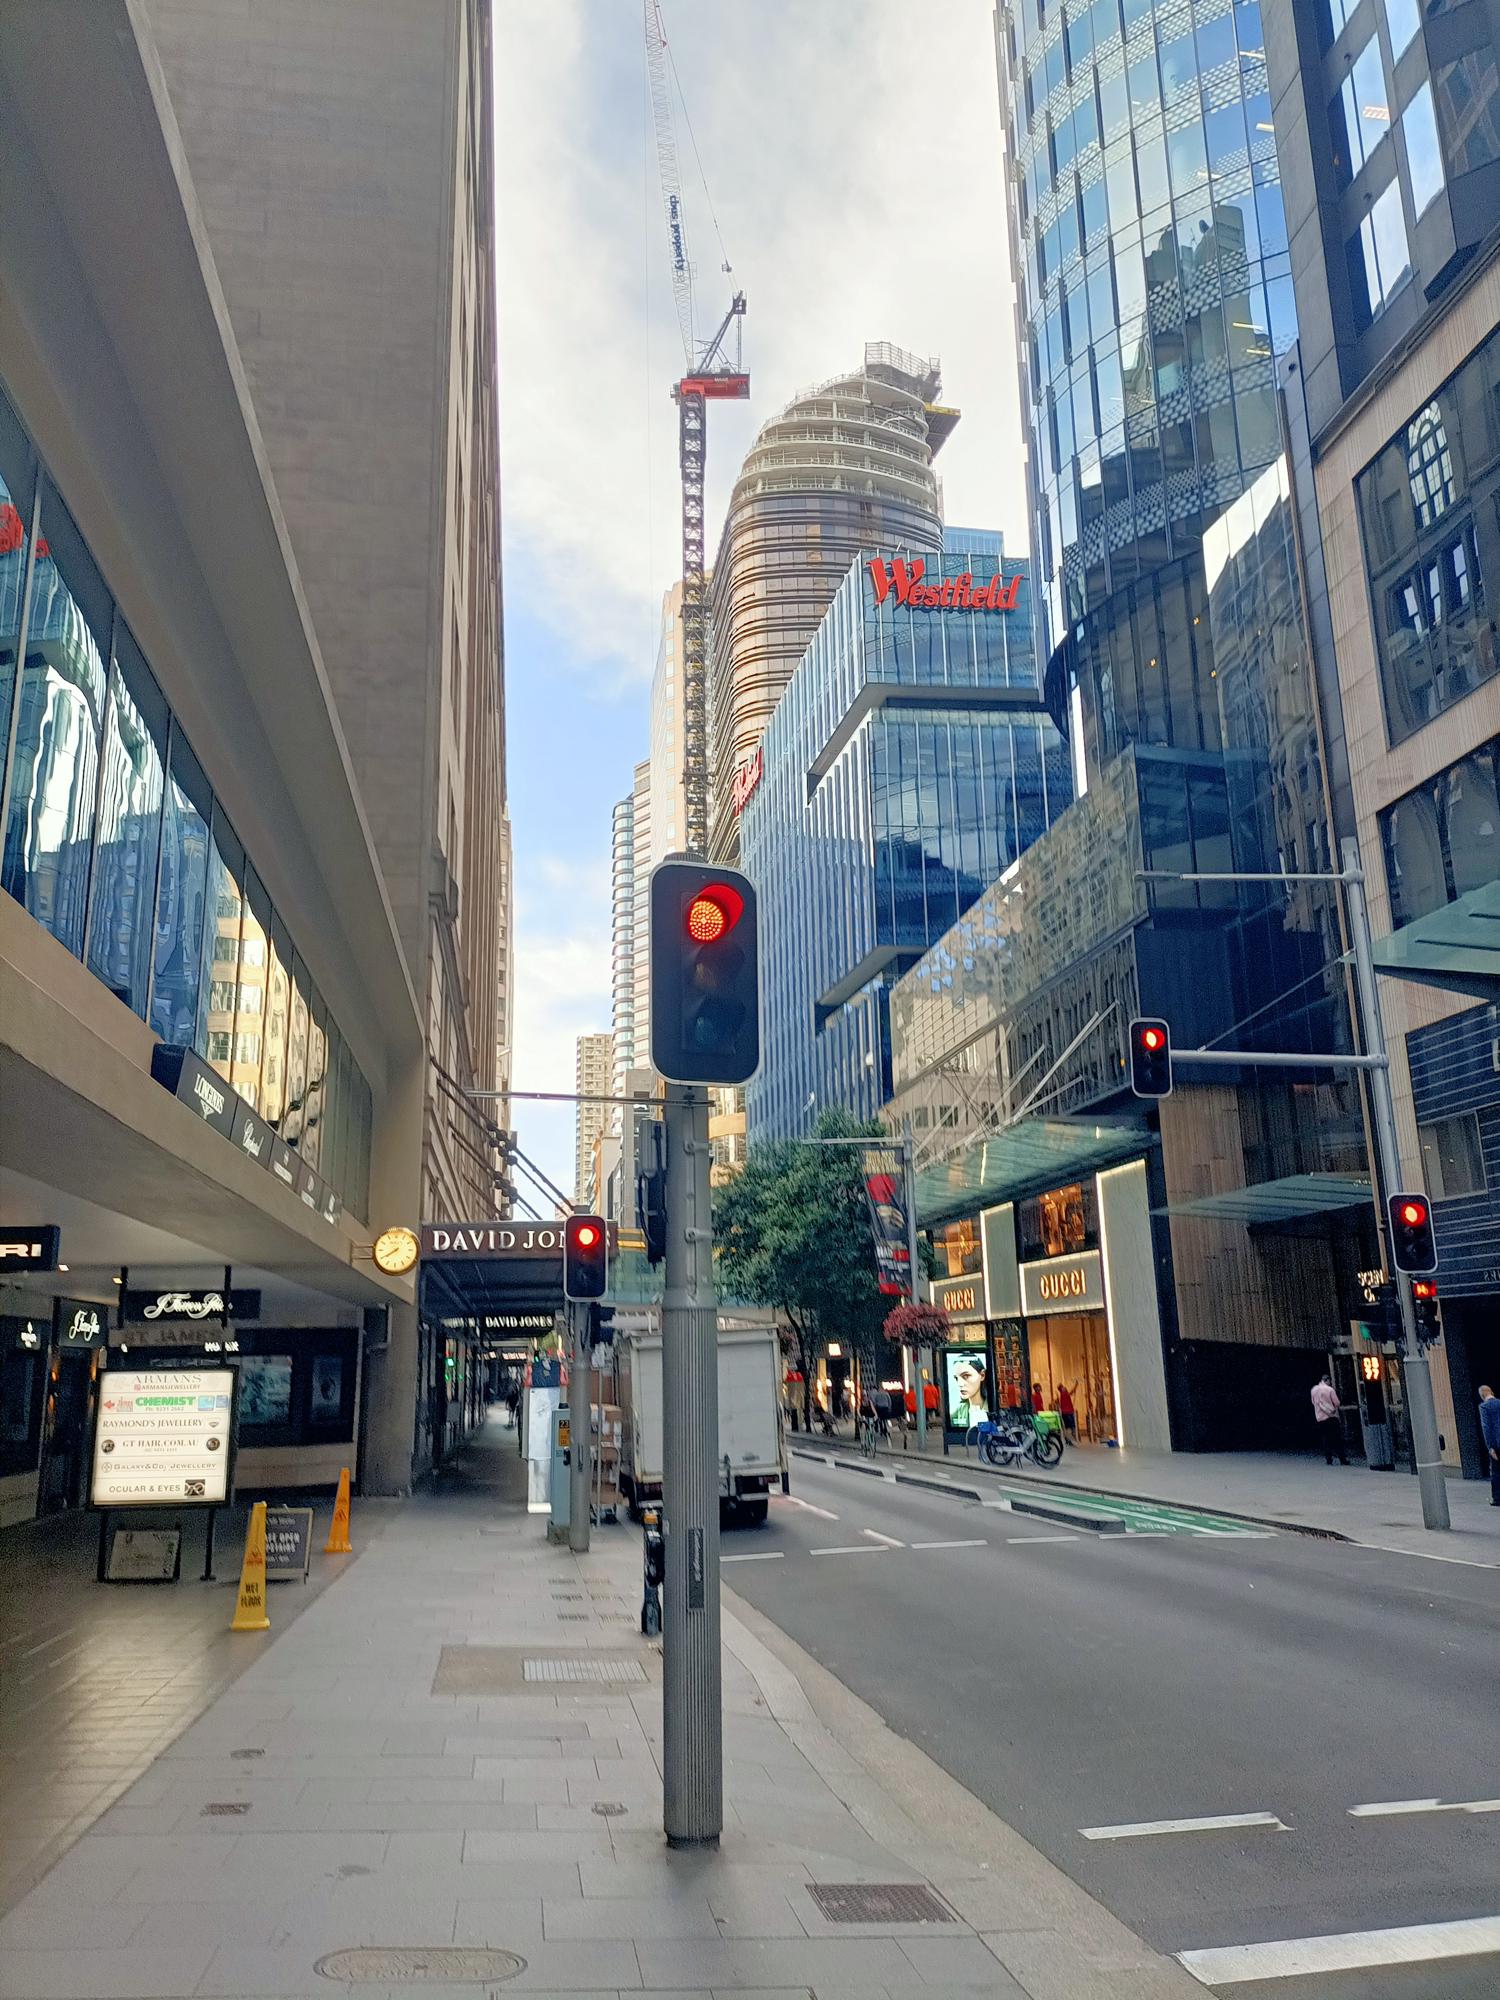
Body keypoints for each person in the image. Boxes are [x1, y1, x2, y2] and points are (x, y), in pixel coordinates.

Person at [1311, 1372, 1347, 1464]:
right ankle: (1342, 1459)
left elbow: (1313, 1402)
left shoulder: (1314, 1390)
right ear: (1328, 1380)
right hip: (1331, 1417)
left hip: (1320, 1418)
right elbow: (1337, 1403)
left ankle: (1328, 1459)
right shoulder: (1330, 1390)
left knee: (1325, 1438)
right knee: (1337, 1438)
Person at [949, 1355, 989, 1429]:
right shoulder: (956, 1414)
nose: (960, 1384)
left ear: (982, 1375)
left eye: (966, 1376)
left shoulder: (993, 1408)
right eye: (956, 1378)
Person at [1480, 1385, 1500, 1507]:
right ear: (1491, 1391)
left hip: (1496, 1444)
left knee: (1496, 1471)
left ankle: (1497, 1498)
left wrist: (1490, 1447)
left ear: (1482, 1395)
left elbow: (1486, 1427)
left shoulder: (1484, 1407)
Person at [1057, 1380, 1079, 1444]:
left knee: (1069, 1426)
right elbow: (1072, 1391)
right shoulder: (1064, 1394)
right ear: (1061, 1389)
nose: (1064, 1387)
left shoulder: (1064, 1394)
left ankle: (1069, 1438)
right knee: (1070, 1426)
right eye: (1063, 1387)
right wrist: (1076, 1385)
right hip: (1067, 1413)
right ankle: (1069, 1438)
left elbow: (1071, 1392)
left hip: (1068, 1412)